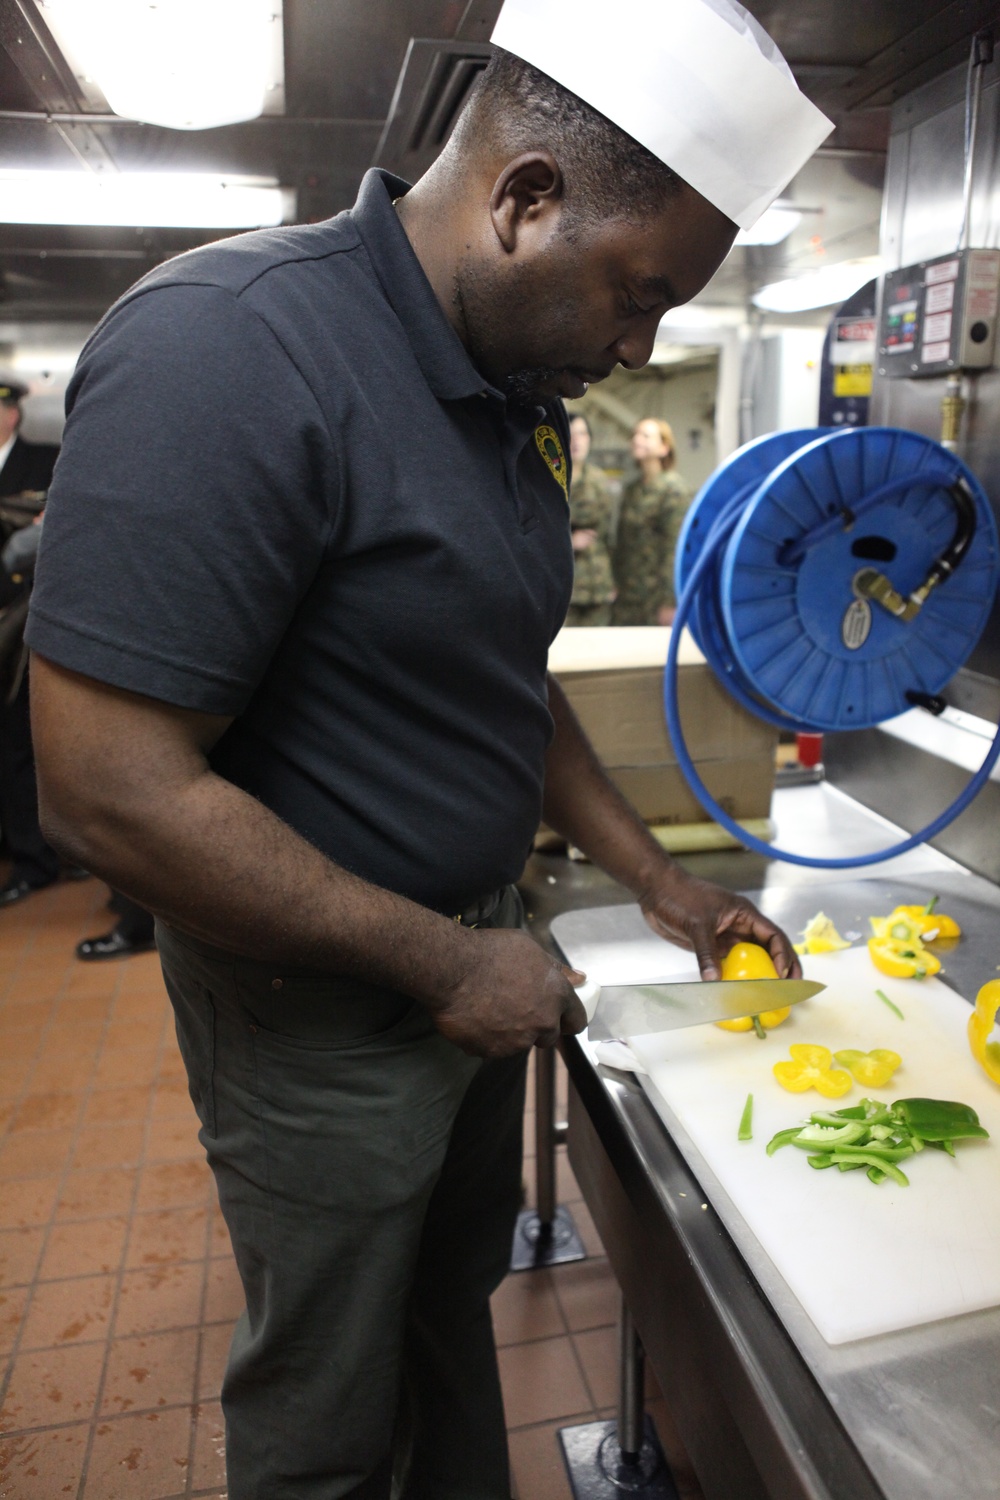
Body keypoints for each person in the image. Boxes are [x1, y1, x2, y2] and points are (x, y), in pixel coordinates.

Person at [26, 1, 830, 1494]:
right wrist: (447, 963)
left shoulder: (517, 394)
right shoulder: (236, 347)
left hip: (476, 974)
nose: (639, 343)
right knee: (330, 1405)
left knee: (450, 1326)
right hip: (323, 1016)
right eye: (637, 294)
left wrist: (656, 883)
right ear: (526, 198)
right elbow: (105, 790)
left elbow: (502, 681)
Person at [0, 381, 62, 905]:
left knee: (25, 743)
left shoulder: (47, 460)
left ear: (15, 413)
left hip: (23, 627)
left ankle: (38, 857)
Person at [612, 416, 691, 626]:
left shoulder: (673, 489)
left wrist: (670, 601)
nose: (637, 439)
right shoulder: (632, 489)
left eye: (646, 436)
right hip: (628, 596)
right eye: (635, 435)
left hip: (656, 598)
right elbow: (622, 543)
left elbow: (675, 548)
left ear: (664, 448)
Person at [565, 412, 616, 625]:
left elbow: (608, 534)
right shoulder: (548, 477)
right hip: (564, 585)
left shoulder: (599, 480)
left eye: (582, 434)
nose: (577, 440)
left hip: (597, 585)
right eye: (571, 434)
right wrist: (569, 541)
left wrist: (612, 581)